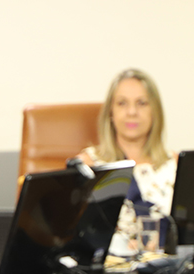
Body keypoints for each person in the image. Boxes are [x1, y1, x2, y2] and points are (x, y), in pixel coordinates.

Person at [76, 68, 178, 253]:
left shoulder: (176, 164)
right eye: (122, 103)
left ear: (154, 111)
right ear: (111, 113)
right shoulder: (88, 166)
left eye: (141, 103)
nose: (132, 112)